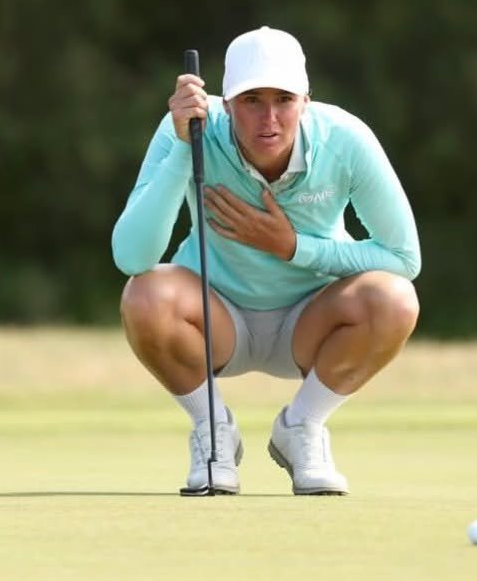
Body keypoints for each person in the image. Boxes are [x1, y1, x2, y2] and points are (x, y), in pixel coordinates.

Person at [111, 26, 421, 496]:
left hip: (311, 322)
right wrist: (181, 145)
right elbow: (131, 255)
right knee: (145, 294)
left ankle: (302, 428)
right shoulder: (190, 129)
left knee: (395, 299)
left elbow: (404, 257)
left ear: (307, 101)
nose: (269, 118)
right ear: (227, 103)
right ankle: (213, 431)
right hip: (215, 320)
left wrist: (293, 246)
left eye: (284, 99)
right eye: (252, 100)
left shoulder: (346, 138)